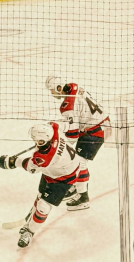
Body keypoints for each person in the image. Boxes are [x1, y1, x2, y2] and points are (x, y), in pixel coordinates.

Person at [0, 121, 81, 249]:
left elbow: (31, 168)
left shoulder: (45, 156)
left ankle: (29, 231)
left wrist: (12, 162)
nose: (35, 142)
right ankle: (33, 217)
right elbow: (68, 124)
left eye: (38, 141)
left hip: (63, 178)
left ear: (44, 140)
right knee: (41, 195)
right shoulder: (53, 128)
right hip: (57, 169)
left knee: (43, 206)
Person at [43, 77, 107, 211]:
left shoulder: (67, 106)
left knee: (79, 162)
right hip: (101, 123)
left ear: (59, 88)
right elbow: (76, 117)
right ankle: (75, 187)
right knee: (77, 160)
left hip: (95, 131)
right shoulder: (74, 87)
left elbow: (72, 136)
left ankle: (83, 198)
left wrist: (56, 137)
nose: (52, 94)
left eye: (52, 91)